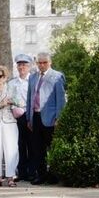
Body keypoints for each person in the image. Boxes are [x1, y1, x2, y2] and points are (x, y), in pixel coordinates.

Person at [26, 52, 66, 184]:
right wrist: (29, 118)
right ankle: (41, 175)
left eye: (44, 62)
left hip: (51, 117)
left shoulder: (57, 77)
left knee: (52, 147)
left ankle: (54, 175)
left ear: (50, 63)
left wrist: (59, 117)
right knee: (38, 148)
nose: (42, 65)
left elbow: (60, 99)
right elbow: (29, 98)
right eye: (39, 63)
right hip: (36, 117)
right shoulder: (32, 77)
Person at [11, 54, 35, 181]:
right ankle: (22, 172)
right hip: (18, 117)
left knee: (31, 145)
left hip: (30, 115)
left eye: (24, 65)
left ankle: (32, 172)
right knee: (19, 144)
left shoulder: (33, 80)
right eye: (19, 65)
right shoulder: (13, 82)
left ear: (29, 66)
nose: (22, 67)